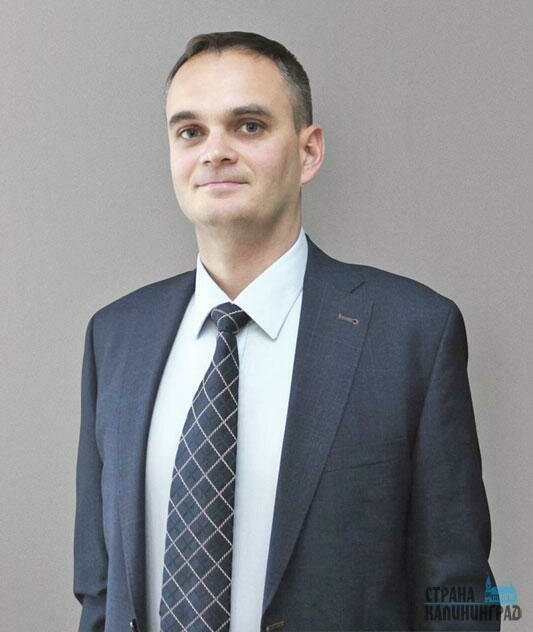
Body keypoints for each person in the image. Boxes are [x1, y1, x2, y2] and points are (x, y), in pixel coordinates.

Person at [73, 31, 500, 632]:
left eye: (248, 126)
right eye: (190, 131)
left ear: (309, 152)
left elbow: (458, 595)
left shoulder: (412, 335)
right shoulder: (116, 337)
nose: (215, 152)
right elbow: (99, 589)